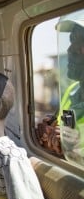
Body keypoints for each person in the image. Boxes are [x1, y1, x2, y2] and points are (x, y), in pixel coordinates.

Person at [35, 11, 84, 164]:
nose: (70, 50)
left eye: (81, 44)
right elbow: (59, 131)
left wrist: (75, 149)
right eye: (71, 41)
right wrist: (47, 134)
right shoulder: (72, 91)